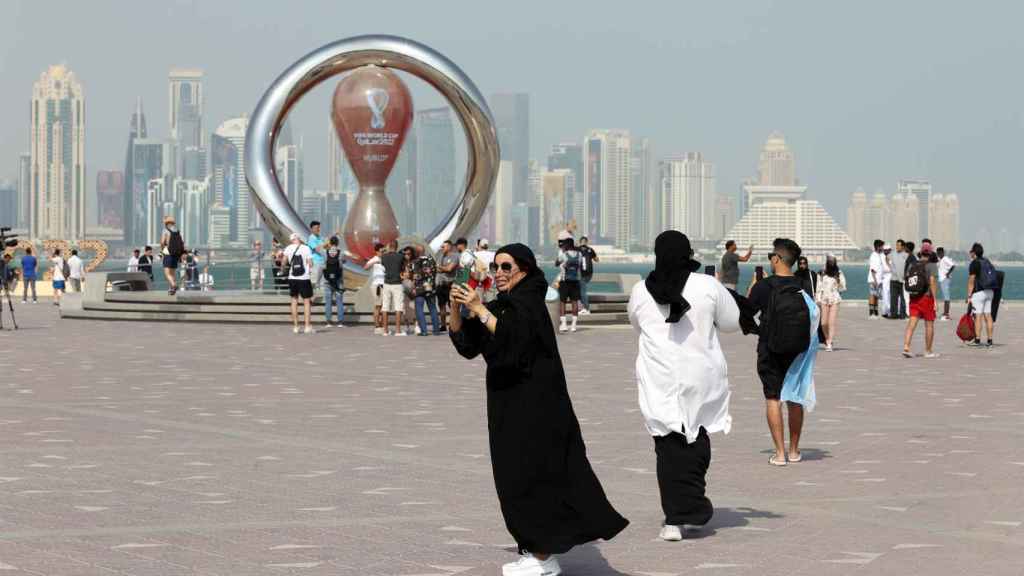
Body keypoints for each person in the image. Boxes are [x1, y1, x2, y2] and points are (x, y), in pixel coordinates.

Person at [448, 243, 628, 575]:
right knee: (513, 479)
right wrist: (457, 307)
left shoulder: (528, 304)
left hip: (537, 411)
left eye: (506, 267)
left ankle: (543, 558)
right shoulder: (501, 305)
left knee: (535, 479)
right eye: (496, 267)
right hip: (507, 408)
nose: (499, 274)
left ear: (525, 270)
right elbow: (467, 346)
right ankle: (533, 550)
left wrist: (481, 309)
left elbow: (515, 343)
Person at [628, 231, 739, 541]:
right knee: (697, 438)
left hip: (660, 377)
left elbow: (635, 323)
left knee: (667, 444)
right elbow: (731, 323)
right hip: (700, 374)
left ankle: (677, 517)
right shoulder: (707, 285)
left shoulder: (641, 290)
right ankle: (686, 509)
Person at [747, 238, 818, 466]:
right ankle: (795, 451)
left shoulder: (763, 286)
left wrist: (752, 288)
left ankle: (779, 454)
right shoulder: (802, 284)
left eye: (771, 256)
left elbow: (746, 315)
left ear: (776, 258)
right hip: (798, 348)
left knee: (773, 397)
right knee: (795, 398)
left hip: (770, 347)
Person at [902, 242, 939, 358]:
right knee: (929, 325)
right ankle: (928, 351)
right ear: (930, 253)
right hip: (926, 298)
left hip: (914, 297)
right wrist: (935, 300)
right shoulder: (932, 265)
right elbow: (932, 282)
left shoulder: (913, 264)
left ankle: (906, 347)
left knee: (911, 323)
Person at [966, 242, 997, 347]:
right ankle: (990, 340)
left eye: (971, 251)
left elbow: (971, 280)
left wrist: (969, 295)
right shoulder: (987, 261)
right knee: (988, 315)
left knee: (978, 316)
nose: (970, 253)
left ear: (974, 253)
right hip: (990, 292)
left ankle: (978, 340)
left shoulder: (974, 263)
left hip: (979, 293)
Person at [283, 232, 315, 334]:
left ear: (291, 239)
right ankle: (307, 326)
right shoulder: (306, 248)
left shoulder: (288, 248)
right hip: (304, 278)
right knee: (306, 302)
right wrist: (309, 266)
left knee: (294, 301)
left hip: (292, 278)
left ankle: (296, 327)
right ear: (299, 239)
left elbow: (284, 262)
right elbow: (311, 263)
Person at [815, 254, 846, 352]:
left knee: (831, 322)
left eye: (832, 261)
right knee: (824, 323)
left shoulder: (839, 272)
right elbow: (818, 287)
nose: (831, 262)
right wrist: (818, 299)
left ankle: (829, 342)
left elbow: (843, 287)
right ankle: (827, 338)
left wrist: (838, 281)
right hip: (824, 299)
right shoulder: (822, 273)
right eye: (829, 261)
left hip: (834, 298)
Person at [555, 232, 583, 333]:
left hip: (564, 281)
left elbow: (556, 263)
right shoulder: (579, 255)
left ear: (566, 245)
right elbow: (580, 266)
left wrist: (561, 260)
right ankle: (574, 325)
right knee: (574, 302)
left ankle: (564, 324)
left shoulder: (564, 254)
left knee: (562, 302)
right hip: (575, 281)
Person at [412, 245, 441, 335]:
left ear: (417, 252)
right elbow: (435, 271)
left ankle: (424, 331)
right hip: (430, 287)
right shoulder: (431, 260)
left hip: (420, 288)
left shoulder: (415, 262)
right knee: (433, 308)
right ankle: (436, 331)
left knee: (419, 309)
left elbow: (415, 276)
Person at [379, 240, 406, 336]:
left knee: (385, 307)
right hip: (397, 283)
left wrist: (384, 251)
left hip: (387, 283)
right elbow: (403, 267)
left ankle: (385, 331)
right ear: (397, 246)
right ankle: (398, 331)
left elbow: (383, 265)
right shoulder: (400, 256)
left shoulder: (384, 257)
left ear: (389, 246)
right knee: (398, 307)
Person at [363, 243, 387, 334]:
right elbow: (365, 267)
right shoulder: (375, 259)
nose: (383, 253)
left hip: (385, 284)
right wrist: (374, 262)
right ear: (377, 251)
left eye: (384, 251)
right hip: (377, 285)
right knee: (377, 305)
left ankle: (381, 324)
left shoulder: (385, 259)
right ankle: (377, 325)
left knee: (382, 306)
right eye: (381, 251)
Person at [323, 236, 346, 328]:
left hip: (327, 280)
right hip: (338, 280)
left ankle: (328, 322)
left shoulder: (325, 252)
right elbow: (341, 265)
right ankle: (340, 322)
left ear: (330, 243)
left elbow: (323, 266)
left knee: (328, 301)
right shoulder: (341, 253)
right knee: (339, 301)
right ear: (337, 243)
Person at [435, 240, 459, 329]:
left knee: (452, 305)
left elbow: (450, 269)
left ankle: (454, 324)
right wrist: (442, 268)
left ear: (449, 247)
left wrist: (441, 268)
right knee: (441, 305)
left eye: (443, 246)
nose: (442, 248)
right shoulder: (440, 256)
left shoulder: (455, 256)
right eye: (441, 247)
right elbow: (436, 269)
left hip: (450, 284)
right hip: (440, 284)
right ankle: (443, 325)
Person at [160, 216, 186, 295]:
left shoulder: (165, 230)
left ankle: (174, 285)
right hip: (176, 254)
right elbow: (182, 243)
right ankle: (172, 290)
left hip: (168, 253)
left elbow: (162, 242)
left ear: (166, 223)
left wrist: (163, 250)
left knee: (167, 273)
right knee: (172, 273)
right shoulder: (177, 231)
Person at [577, 236, 599, 313]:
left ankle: (586, 308)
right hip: (589, 274)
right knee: (580, 290)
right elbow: (597, 260)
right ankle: (582, 307)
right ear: (586, 242)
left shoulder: (577, 249)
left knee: (582, 291)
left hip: (581, 274)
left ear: (580, 242)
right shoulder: (590, 250)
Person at [890, 239, 908, 319]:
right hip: (894, 280)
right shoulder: (892, 254)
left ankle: (902, 314)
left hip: (903, 281)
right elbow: (886, 258)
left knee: (903, 298)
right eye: (896, 245)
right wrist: (890, 267)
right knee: (893, 298)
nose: (897, 246)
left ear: (903, 246)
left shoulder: (906, 255)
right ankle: (893, 314)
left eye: (899, 245)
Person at [306, 220, 326, 292]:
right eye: (316, 228)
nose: (318, 229)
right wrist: (324, 245)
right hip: (315, 263)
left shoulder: (320, 238)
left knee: (323, 283)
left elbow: (326, 246)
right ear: (311, 229)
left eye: (319, 227)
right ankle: (313, 299)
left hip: (323, 262)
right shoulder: (311, 238)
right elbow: (317, 249)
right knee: (314, 282)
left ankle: (323, 300)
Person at [867, 239, 885, 319]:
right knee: (872, 295)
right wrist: (875, 280)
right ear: (878, 247)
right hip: (874, 279)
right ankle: (871, 314)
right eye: (881, 246)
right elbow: (873, 269)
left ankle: (876, 312)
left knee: (876, 296)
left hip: (879, 280)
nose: (882, 248)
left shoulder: (880, 255)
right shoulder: (873, 255)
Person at [937, 247, 956, 321]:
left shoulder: (945, 258)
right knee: (945, 297)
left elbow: (953, 265)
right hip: (942, 279)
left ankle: (946, 314)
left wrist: (948, 273)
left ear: (942, 252)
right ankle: (945, 313)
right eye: (937, 253)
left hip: (945, 279)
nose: (938, 254)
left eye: (939, 253)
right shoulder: (941, 260)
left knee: (946, 297)